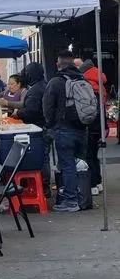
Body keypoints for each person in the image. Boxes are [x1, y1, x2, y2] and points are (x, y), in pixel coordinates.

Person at [43, 50, 87, 212]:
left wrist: (50, 125)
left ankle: (71, 200)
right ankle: (84, 197)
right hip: (82, 128)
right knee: (81, 164)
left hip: (63, 129)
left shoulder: (55, 82)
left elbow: (47, 108)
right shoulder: (83, 79)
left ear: (59, 64)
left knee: (67, 165)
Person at [15, 62, 52, 197]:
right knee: (45, 157)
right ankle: (45, 186)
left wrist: (17, 113)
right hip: (47, 126)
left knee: (41, 158)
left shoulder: (35, 90)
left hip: (38, 128)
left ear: (30, 75)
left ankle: (43, 187)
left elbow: (30, 111)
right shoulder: (46, 84)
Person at [79, 58, 107, 195]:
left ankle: (92, 184)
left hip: (89, 125)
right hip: (99, 125)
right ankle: (98, 181)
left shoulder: (86, 84)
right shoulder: (99, 82)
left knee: (88, 155)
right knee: (94, 155)